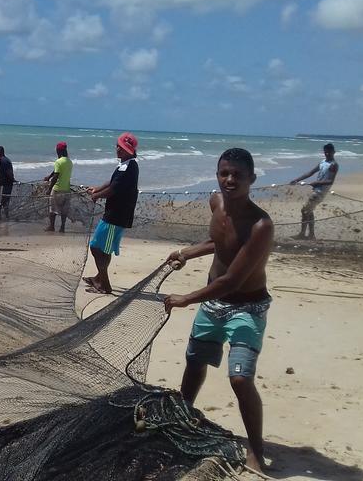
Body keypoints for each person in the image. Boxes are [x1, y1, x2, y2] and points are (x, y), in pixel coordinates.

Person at [164, 148, 274, 473]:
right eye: (224, 173)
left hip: (247, 307)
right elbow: (219, 241)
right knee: (195, 364)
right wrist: (186, 253)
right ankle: (182, 422)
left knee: (240, 379)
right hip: (213, 305)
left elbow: (232, 280)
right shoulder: (216, 203)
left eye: (238, 175)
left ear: (251, 179)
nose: (230, 180)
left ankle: (256, 450)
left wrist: (187, 298)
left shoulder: (261, 225)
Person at [85, 132, 139, 294]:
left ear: (130, 151)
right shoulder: (125, 164)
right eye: (118, 146)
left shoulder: (129, 167)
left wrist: (96, 196)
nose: (118, 149)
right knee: (100, 247)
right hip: (115, 214)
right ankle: (98, 278)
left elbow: (113, 190)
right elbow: (111, 182)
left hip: (116, 216)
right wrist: (97, 189)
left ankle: (104, 284)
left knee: (98, 248)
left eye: (122, 148)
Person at [289, 143, 339, 240]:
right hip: (316, 189)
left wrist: (317, 182)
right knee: (309, 211)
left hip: (320, 192)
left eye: (329, 152)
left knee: (304, 210)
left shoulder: (334, 165)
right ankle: (311, 235)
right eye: (326, 152)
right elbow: (310, 172)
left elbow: (330, 181)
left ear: (334, 152)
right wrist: (297, 180)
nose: (327, 153)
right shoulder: (322, 162)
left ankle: (302, 234)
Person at [44, 141, 73, 233]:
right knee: (64, 210)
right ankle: (62, 228)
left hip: (57, 190)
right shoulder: (69, 161)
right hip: (67, 190)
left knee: (52, 209)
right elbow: (57, 171)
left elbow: (56, 176)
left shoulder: (58, 162)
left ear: (58, 151)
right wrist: (49, 176)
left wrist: (49, 189)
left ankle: (51, 227)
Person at [0, 145, 15, 220]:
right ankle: (6, 216)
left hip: (5, 184)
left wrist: (12, 179)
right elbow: (3, 172)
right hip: (8, 184)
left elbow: (8, 172)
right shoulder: (6, 160)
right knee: (5, 201)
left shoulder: (3, 161)